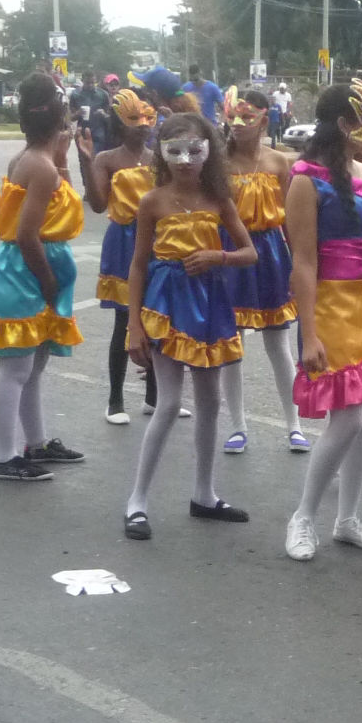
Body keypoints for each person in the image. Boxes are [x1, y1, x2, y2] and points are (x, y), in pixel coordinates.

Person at [284, 83, 362, 566]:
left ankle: (348, 519)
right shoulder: (305, 179)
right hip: (333, 309)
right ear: (344, 123)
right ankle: (303, 516)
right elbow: (304, 262)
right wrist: (310, 333)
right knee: (348, 420)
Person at [121, 111, 256, 538]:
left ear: (209, 152)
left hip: (210, 303)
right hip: (166, 303)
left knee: (211, 402)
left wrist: (220, 256)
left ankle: (204, 494)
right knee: (167, 402)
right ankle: (137, 501)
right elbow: (138, 266)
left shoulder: (220, 198)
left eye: (193, 151)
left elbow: (250, 252)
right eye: (173, 151)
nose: (184, 160)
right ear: (161, 153)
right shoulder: (152, 201)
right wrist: (134, 327)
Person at [0, 75, 87, 482]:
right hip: (25, 271)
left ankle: (35, 442)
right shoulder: (37, 166)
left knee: (33, 365)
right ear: (61, 118)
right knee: (15, 369)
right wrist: (47, 280)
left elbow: (65, 205)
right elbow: (26, 235)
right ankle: (4, 457)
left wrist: (63, 156)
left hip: (32, 268)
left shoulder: (38, 160)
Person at [219, 88, 306, 453]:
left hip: (270, 254)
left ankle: (294, 424)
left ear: (265, 120)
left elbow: (291, 220)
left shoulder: (278, 163)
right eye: (234, 118)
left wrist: (298, 264)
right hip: (231, 252)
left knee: (278, 342)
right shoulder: (219, 164)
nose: (239, 126)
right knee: (230, 342)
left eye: (248, 118)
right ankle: (238, 425)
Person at [90, 88, 160, 423]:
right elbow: (99, 204)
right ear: (120, 122)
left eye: (148, 118)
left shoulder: (158, 157)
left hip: (159, 238)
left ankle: (155, 396)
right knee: (124, 320)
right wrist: (87, 162)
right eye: (134, 119)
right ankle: (115, 399)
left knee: (159, 315)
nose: (143, 125)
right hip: (123, 240)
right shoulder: (107, 159)